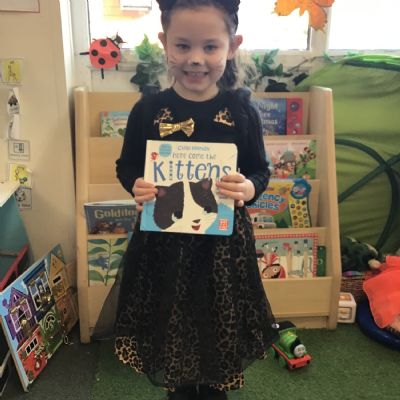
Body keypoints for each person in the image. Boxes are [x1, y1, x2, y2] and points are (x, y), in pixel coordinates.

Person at [114, 1, 278, 399]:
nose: (195, 59)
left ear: (232, 46)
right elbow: (127, 165)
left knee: (218, 323)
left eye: (210, 46)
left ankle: (215, 390)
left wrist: (249, 188)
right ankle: (179, 390)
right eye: (183, 45)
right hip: (164, 243)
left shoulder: (241, 110)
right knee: (172, 323)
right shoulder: (148, 109)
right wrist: (136, 185)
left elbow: (260, 169)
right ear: (164, 42)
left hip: (223, 249)